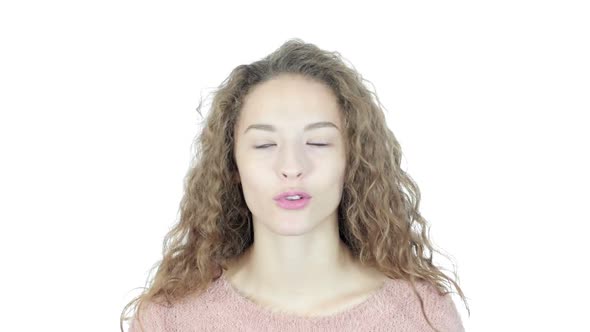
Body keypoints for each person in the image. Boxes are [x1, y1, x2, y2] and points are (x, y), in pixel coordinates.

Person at [120, 38, 469, 332]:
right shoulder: (170, 320)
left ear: (353, 160)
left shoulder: (422, 317)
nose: (291, 167)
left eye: (317, 143)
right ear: (232, 164)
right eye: (265, 145)